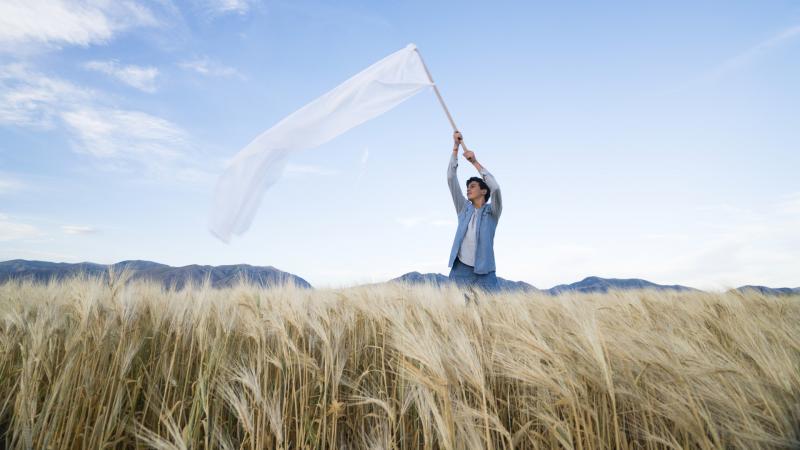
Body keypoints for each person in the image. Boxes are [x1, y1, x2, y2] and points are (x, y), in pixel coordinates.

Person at [447, 130, 502, 294]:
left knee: (492, 312)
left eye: (473, 186)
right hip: (461, 271)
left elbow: (496, 188)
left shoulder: (493, 211)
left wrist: (475, 162)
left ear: (484, 191)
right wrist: (456, 147)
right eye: (467, 187)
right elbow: (451, 178)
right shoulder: (463, 208)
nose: (468, 190)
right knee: (452, 310)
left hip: (485, 272)